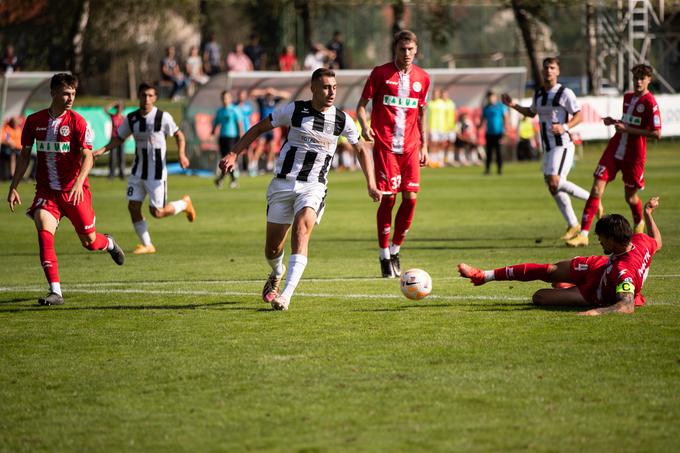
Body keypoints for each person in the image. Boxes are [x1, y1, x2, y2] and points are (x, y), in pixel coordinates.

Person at [219, 68, 381, 310]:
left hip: (314, 186)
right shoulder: (295, 110)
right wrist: (234, 153)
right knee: (273, 248)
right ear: (313, 88)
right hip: (282, 183)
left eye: (334, 87)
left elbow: (360, 149)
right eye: (326, 87)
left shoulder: (341, 119)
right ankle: (277, 271)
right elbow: (259, 128)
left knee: (302, 229)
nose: (331, 92)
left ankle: (286, 296)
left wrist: (371, 183)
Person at [6, 73, 125, 306]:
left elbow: (88, 156)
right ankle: (56, 291)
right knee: (43, 230)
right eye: (65, 93)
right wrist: (14, 186)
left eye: (73, 94)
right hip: (47, 192)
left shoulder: (78, 122)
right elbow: (24, 156)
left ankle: (108, 243)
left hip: (74, 191)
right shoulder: (34, 121)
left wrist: (80, 182)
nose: (70, 98)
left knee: (90, 242)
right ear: (53, 93)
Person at [459, 197, 661, 316]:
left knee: (539, 296)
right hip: (599, 267)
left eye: (601, 239)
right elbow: (658, 242)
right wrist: (648, 213)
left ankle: (568, 289)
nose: (599, 242)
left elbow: (627, 305)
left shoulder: (624, 273)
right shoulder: (641, 240)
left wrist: (596, 311)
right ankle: (482, 276)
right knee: (548, 270)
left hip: (594, 292)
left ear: (612, 240)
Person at [356, 29, 430, 278]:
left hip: (410, 147)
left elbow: (421, 114)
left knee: (410, 199)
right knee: (388, 199)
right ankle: (383, 255)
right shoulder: (380, 73)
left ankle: (396, 249)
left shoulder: (423, 78)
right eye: (402, 49)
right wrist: (365, 127)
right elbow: (361, 106)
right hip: (386, 146)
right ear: (395, 50)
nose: (406, 54)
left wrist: (425, 145)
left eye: (410, 49)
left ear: (416, 50)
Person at [93, 83, 196, 255]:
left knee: (157, 212)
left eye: (150, 95)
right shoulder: (131, 118)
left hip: (156, 173)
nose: (146, 99)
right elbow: (119, 138)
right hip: (137, 171)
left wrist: (182, 154)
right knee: (133, 207)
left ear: (155, 98)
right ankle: (147, 245)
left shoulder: (163, 117)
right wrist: (101, 150)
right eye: (143, 95)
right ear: (139, 97)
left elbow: (179, 135)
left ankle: (184, 204)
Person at [566, 64, 661, 247]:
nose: (638, 82)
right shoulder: (627, 97)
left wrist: (627, 129)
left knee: (631, 197)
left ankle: (638, 223)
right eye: (636, 78)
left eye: (642, 78)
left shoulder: (651, 104)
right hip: (615, 148)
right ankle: (584, 234)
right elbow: (627, 122)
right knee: (595, 189)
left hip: (634, 154)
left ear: (649, 80)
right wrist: (616, 122)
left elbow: (657, 133)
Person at [502, 57, 591, 240]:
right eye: (546, 68)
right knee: (553, 186)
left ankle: (593, 201)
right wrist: (513, 105)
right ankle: (573, 225)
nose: (548, 71)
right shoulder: (539, 93)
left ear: (557, 72)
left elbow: (579, 116)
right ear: (542, 72)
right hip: (548, 147)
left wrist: (564, 127)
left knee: (555, 181)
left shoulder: (565, 93)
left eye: (552, 68)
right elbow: (531, 112)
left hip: (562, 144)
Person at [249, 87, 290, 175]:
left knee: (272, 145)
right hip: (262, 127)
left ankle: (269, 165)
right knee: (260, 145)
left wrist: (275, 92)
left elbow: (287, 96)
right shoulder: (262, 100)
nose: (270, 95)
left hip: (271, 127)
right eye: (269, 94)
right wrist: (265, 91)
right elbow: (252, 93)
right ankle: (253, 164)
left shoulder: (274, 100)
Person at [212, 91, 244, 189]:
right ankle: (226, 180)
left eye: (226, 98)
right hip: (222, 137)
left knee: (229, 160)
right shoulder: (220, 111)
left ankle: (224, 180)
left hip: (232, 137)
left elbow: (239, 123)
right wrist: (212, 132)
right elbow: (216, 122)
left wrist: (241, 136)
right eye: (223, 98)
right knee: (224, 160)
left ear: (230, 99)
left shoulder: (234, 110)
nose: (225, 100)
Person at [479, 90, 509, 175]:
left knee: (499, 152)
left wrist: (506, 131)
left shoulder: (501, 107)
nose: (490, 99)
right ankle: (487, 170)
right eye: (489, 98)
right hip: (489, 133)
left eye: (492, 97)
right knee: (489, 152)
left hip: (499, 133)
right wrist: (479, 126)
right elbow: (482, 120)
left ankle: (499, 170)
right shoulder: (486, 108)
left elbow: (506, 118)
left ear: (495, 97)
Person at [104, 101, 126, 179]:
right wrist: (114, 104)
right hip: (113, 139)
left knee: (121, 157)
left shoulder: (123, 118)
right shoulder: (113, 116)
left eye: (120, 108)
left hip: (121, 139)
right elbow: (105, 109)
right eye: (118, 107)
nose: (119, 109)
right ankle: (111, 174)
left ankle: (122, 173)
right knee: (112, 157)